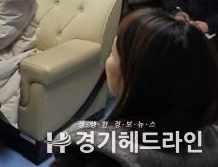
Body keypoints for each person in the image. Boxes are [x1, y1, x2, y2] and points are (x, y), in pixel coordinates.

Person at [52, 9, 218, 166]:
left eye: (113, 53)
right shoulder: (211, 142)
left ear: (137, 77)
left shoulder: (88, 152)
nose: (108, 61)